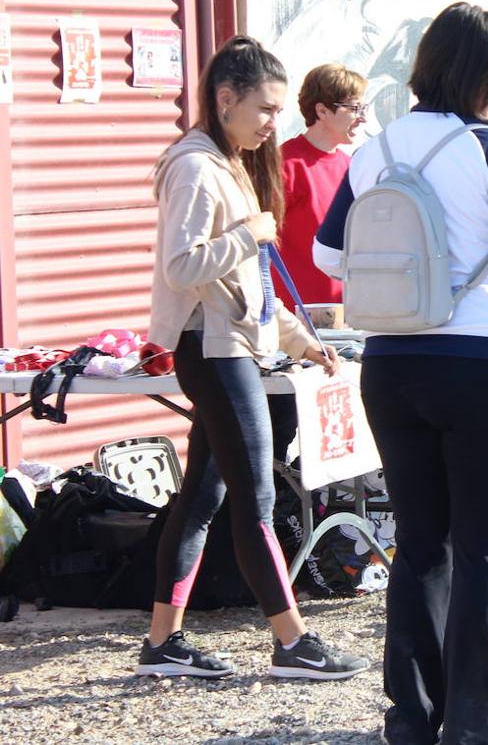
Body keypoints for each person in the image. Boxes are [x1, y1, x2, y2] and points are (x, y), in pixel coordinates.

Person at [315, 2, 488, 745]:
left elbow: (328, 255)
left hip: (392, 364)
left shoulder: (374, 149)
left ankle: (410, 717)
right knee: (485, 550)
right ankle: (476, 725)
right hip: (485, 365)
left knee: (420, 543)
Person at [136, 36, 369, 681]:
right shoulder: (194, 167)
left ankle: (163, 642)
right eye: (265, 109)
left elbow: (253, 286)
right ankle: (292, 641)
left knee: (203, 496)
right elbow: (182, 267)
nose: (274, 122)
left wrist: (300, 340)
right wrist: (248, 232)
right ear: (226, 98)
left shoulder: (229, 162)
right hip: (212, 350)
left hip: (231, 344)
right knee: (255, 497)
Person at [272, 62, 368, 310]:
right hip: (296, 322)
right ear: (322, 111)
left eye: (363, 108)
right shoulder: (285, 165)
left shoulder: (354, 166)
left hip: (349, 315)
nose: (362, 118)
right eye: (354, 108)